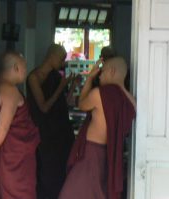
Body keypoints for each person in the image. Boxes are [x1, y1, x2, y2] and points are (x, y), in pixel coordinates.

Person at [58, 57, 136, 199]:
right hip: (109, 156)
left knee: (69, 194)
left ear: (112, 71)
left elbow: (81, 104)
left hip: (90, 154)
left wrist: (89, 78)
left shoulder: (99, 94)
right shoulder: (130, 101)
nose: (99, 75)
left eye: (102, 71)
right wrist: (121, 85)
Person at [26, 44, 75, 199]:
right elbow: (44, 107)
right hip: (46, 134)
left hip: (61, 132)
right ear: (51, 56)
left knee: (62, 171)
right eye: (61, 59)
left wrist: (72, 87)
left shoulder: (56, 76)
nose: (62, 63)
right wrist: (61, 87)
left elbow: (63, 103)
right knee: (47, 172)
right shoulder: (34, 77)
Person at [0, 51, 40, 199]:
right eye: (24, 67)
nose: (26, 71)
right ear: (16, 68)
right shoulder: (10, 91)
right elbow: (2, 127)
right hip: (13, 158)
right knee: (19, 192)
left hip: (13, 152)